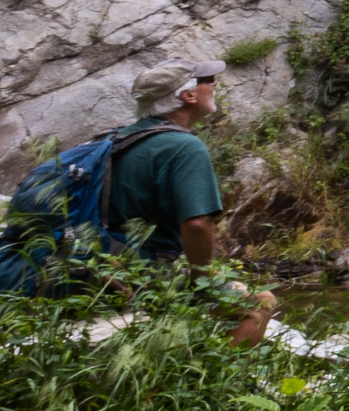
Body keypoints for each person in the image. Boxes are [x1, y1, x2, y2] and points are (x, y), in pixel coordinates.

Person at [109, 61, 272, 344]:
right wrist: (201, 278)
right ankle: (222, 384)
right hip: (143, 274)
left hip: (105, 268)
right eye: (207, 79)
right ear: (188, 96)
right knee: (260, 303)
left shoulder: (117, 140)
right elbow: (197, 224)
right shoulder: (184, 146)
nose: (215, 85)